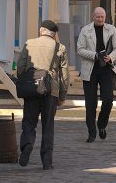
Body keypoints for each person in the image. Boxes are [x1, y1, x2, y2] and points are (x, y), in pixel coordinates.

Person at [17, 19, 69, 170]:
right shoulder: (60, 47)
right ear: (54, 34)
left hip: (32, 89)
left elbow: (20, 67)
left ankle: (27, 145)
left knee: (29, 122)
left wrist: (25, 81)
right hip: (50, 91)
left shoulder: (29, 43)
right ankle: (47, 162)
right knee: (48, 126)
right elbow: (64, 75)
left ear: (41, 30)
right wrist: (62, 96)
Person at [76, 7, 116, 142]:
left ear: (105, 17)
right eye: (98, 17)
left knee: (108, 100)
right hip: (90, 70)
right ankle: (91, 132)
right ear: (93, 16)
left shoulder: (111, 29)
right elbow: (80, 50)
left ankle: (102, 125)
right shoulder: (85, 30)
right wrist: (95, 55)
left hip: (106, 69)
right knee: (91, 103)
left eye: (102, 17)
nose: (100, 19)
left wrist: (111, 57)